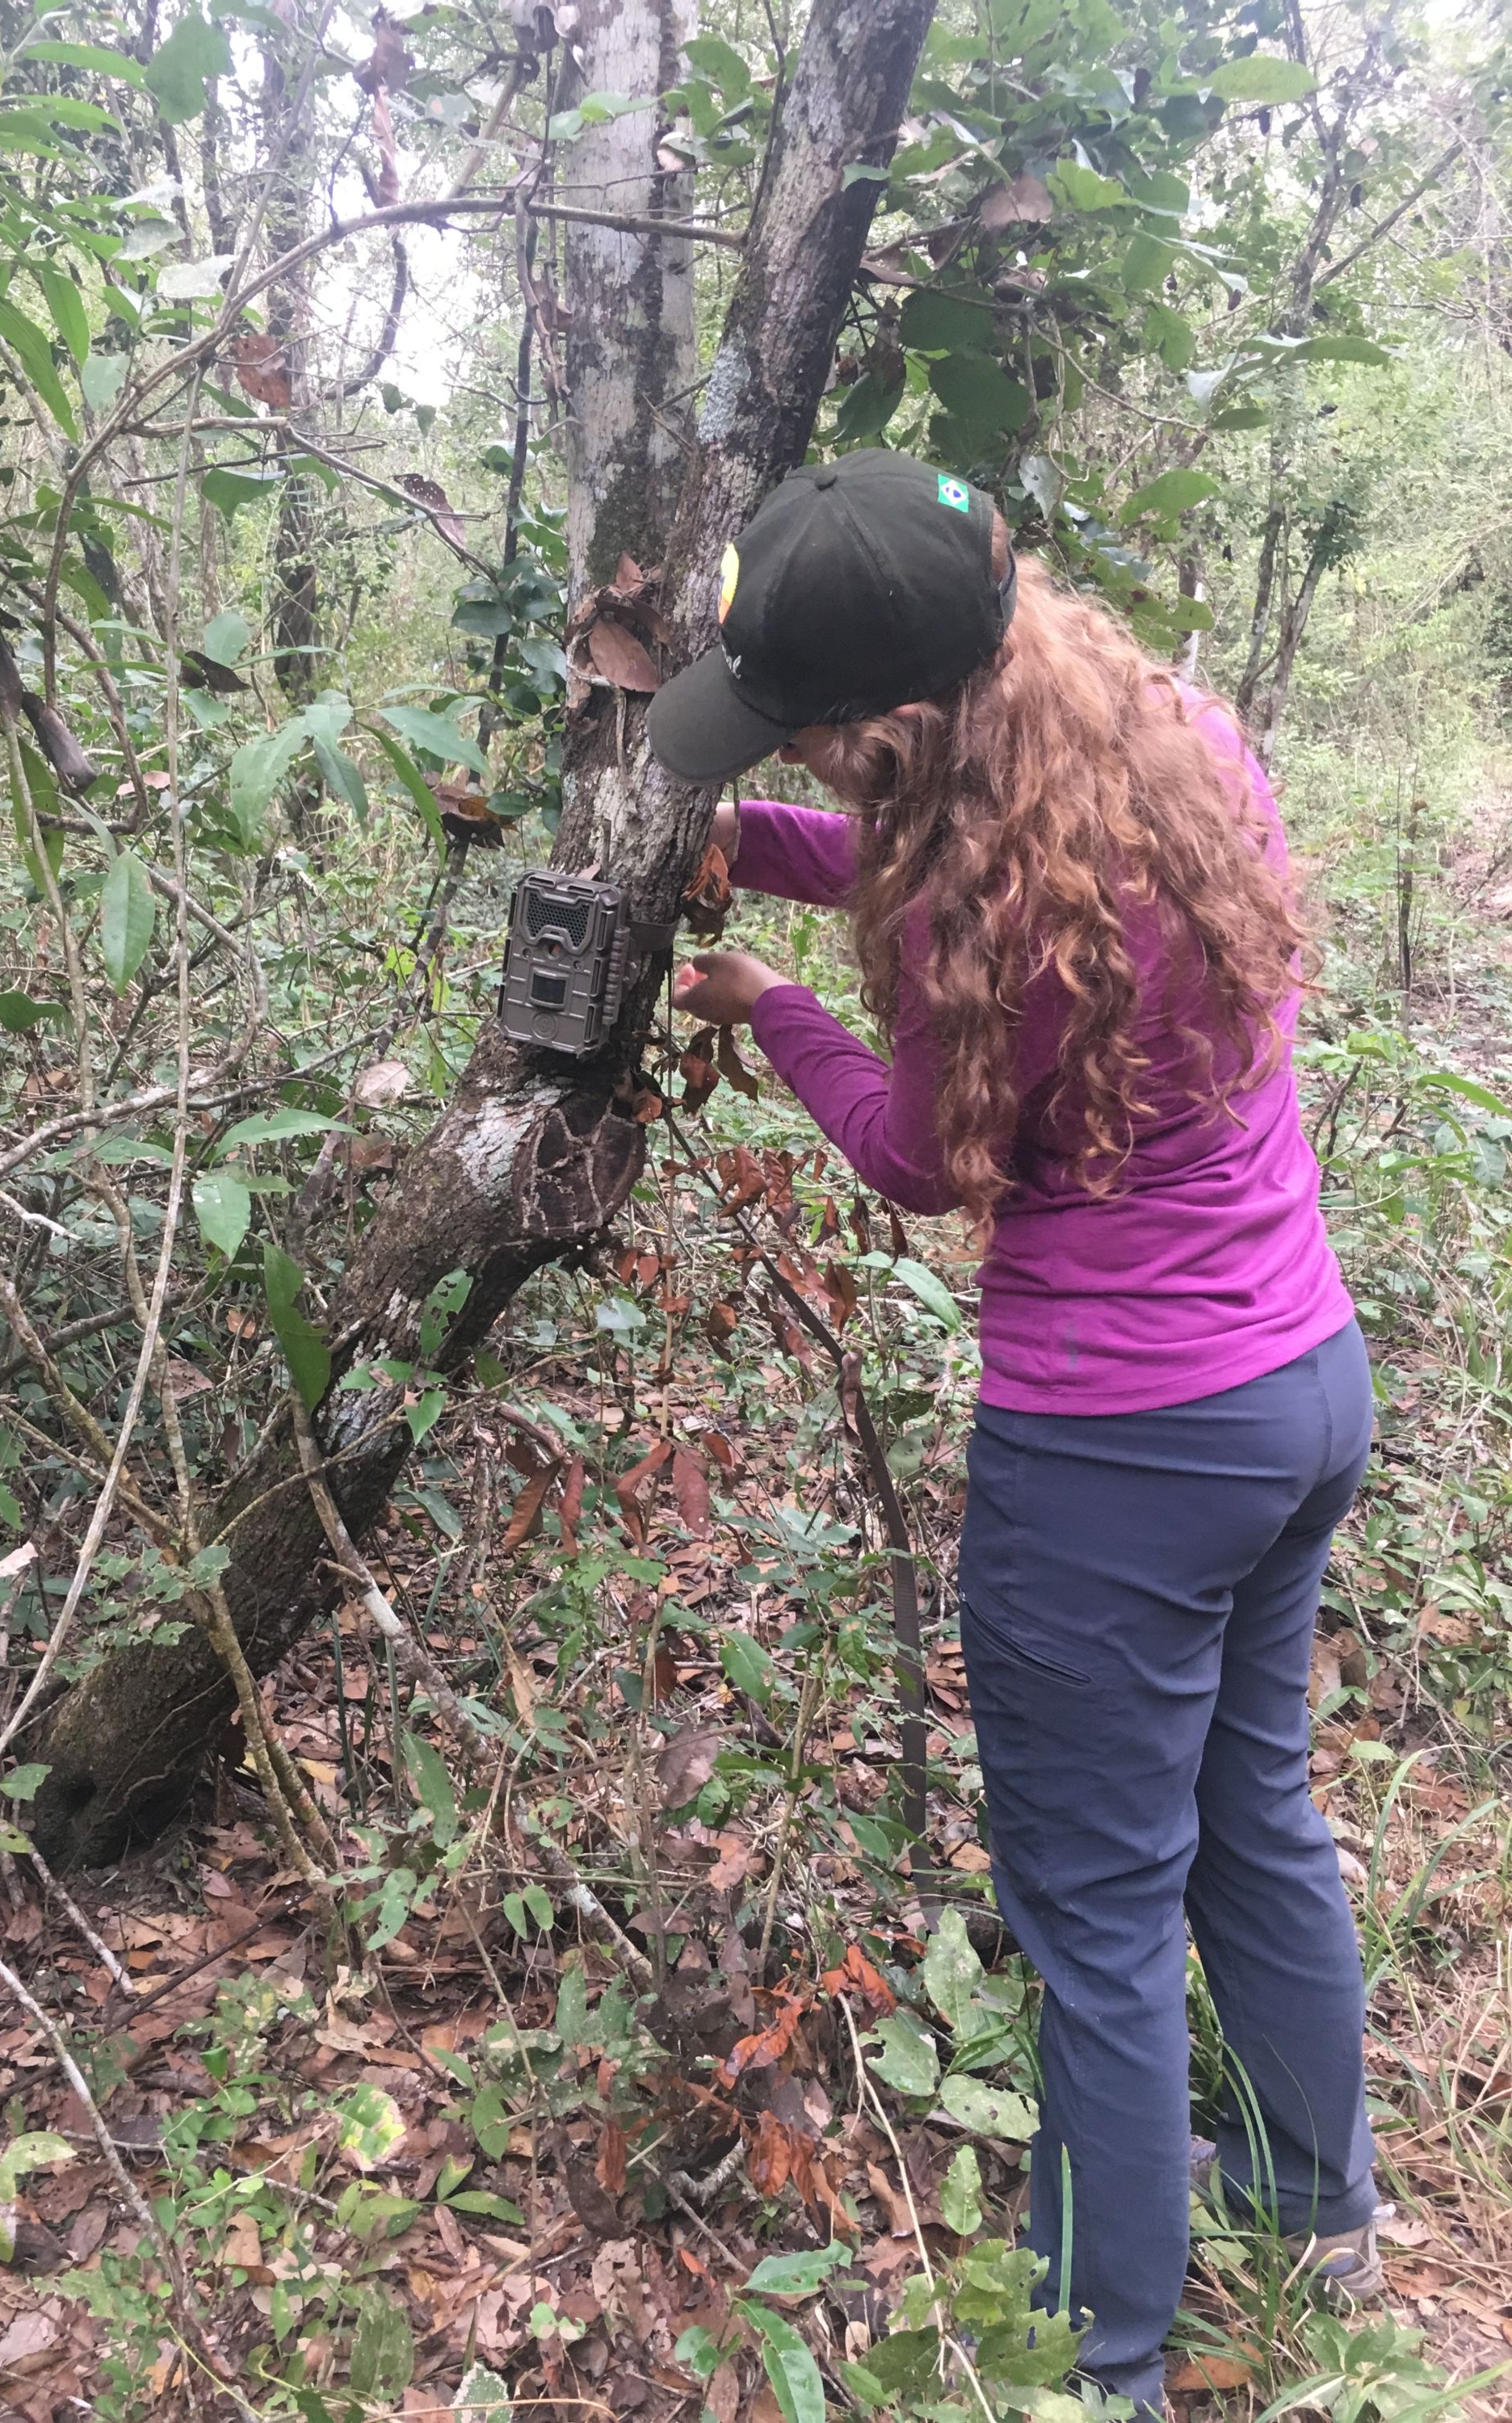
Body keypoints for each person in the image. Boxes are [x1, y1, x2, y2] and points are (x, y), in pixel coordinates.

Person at [645, 450, 1381, 2421]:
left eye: (799, 730)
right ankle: (1318, 2205)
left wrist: (768, 1007)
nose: (788, 751)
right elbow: (937, 856)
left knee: (1098, 1921)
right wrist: (767, 856)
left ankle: (1101, 2366)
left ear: (888, 725)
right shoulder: (1159, 737)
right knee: (1258, 1814)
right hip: (1298, 1388)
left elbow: (920, 1152)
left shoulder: (993, 915)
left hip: (1121, 1460)